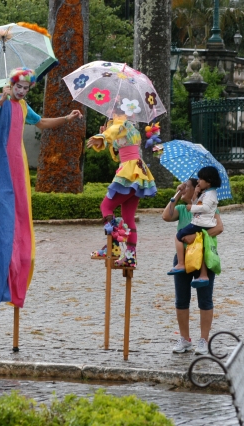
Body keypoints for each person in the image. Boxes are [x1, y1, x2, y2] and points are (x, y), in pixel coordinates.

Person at [0, 67, 83, 308]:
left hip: (17, 166)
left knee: (19, 217)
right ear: (11, 85)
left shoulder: (23, 106)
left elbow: (41, 122)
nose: (21, 91)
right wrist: (1, 99)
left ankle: (13, 272)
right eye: (18, 87)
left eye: (25, 88)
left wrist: (67, 118)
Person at [162, 178, 224, 355]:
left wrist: (196, 238)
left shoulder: (208, 208)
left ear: (196, 188)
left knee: (205, 299)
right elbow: (166, 216)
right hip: (182, 259)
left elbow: (219, 227)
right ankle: (184, 339)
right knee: (181, 300)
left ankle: (204, 340)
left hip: (203, 257)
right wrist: (176, 194)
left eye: (186, 186)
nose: (183, 189)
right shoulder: (182, 209)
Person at [86, 113, 157, 268]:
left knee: (106, 206)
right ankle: (130, 256)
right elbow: (117, 153)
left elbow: (115, 130)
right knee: (128, 217)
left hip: (129, 170)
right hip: (136, 170)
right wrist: (106, 135)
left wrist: (103, 136)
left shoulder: (121, 123)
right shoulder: (132, 128)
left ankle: (113, 245)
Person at [167, 166, 222, 286]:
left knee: (179, 235)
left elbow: (206, 210)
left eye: (200, 179)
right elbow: (166, 216)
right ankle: (203, 275)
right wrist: (179, 194)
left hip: (200, 224)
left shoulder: (209, 195)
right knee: (202, 248)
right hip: (197, 238)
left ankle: (181, 263)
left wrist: (192, 208)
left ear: (208, 181)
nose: (198, 181)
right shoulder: (184, 207)